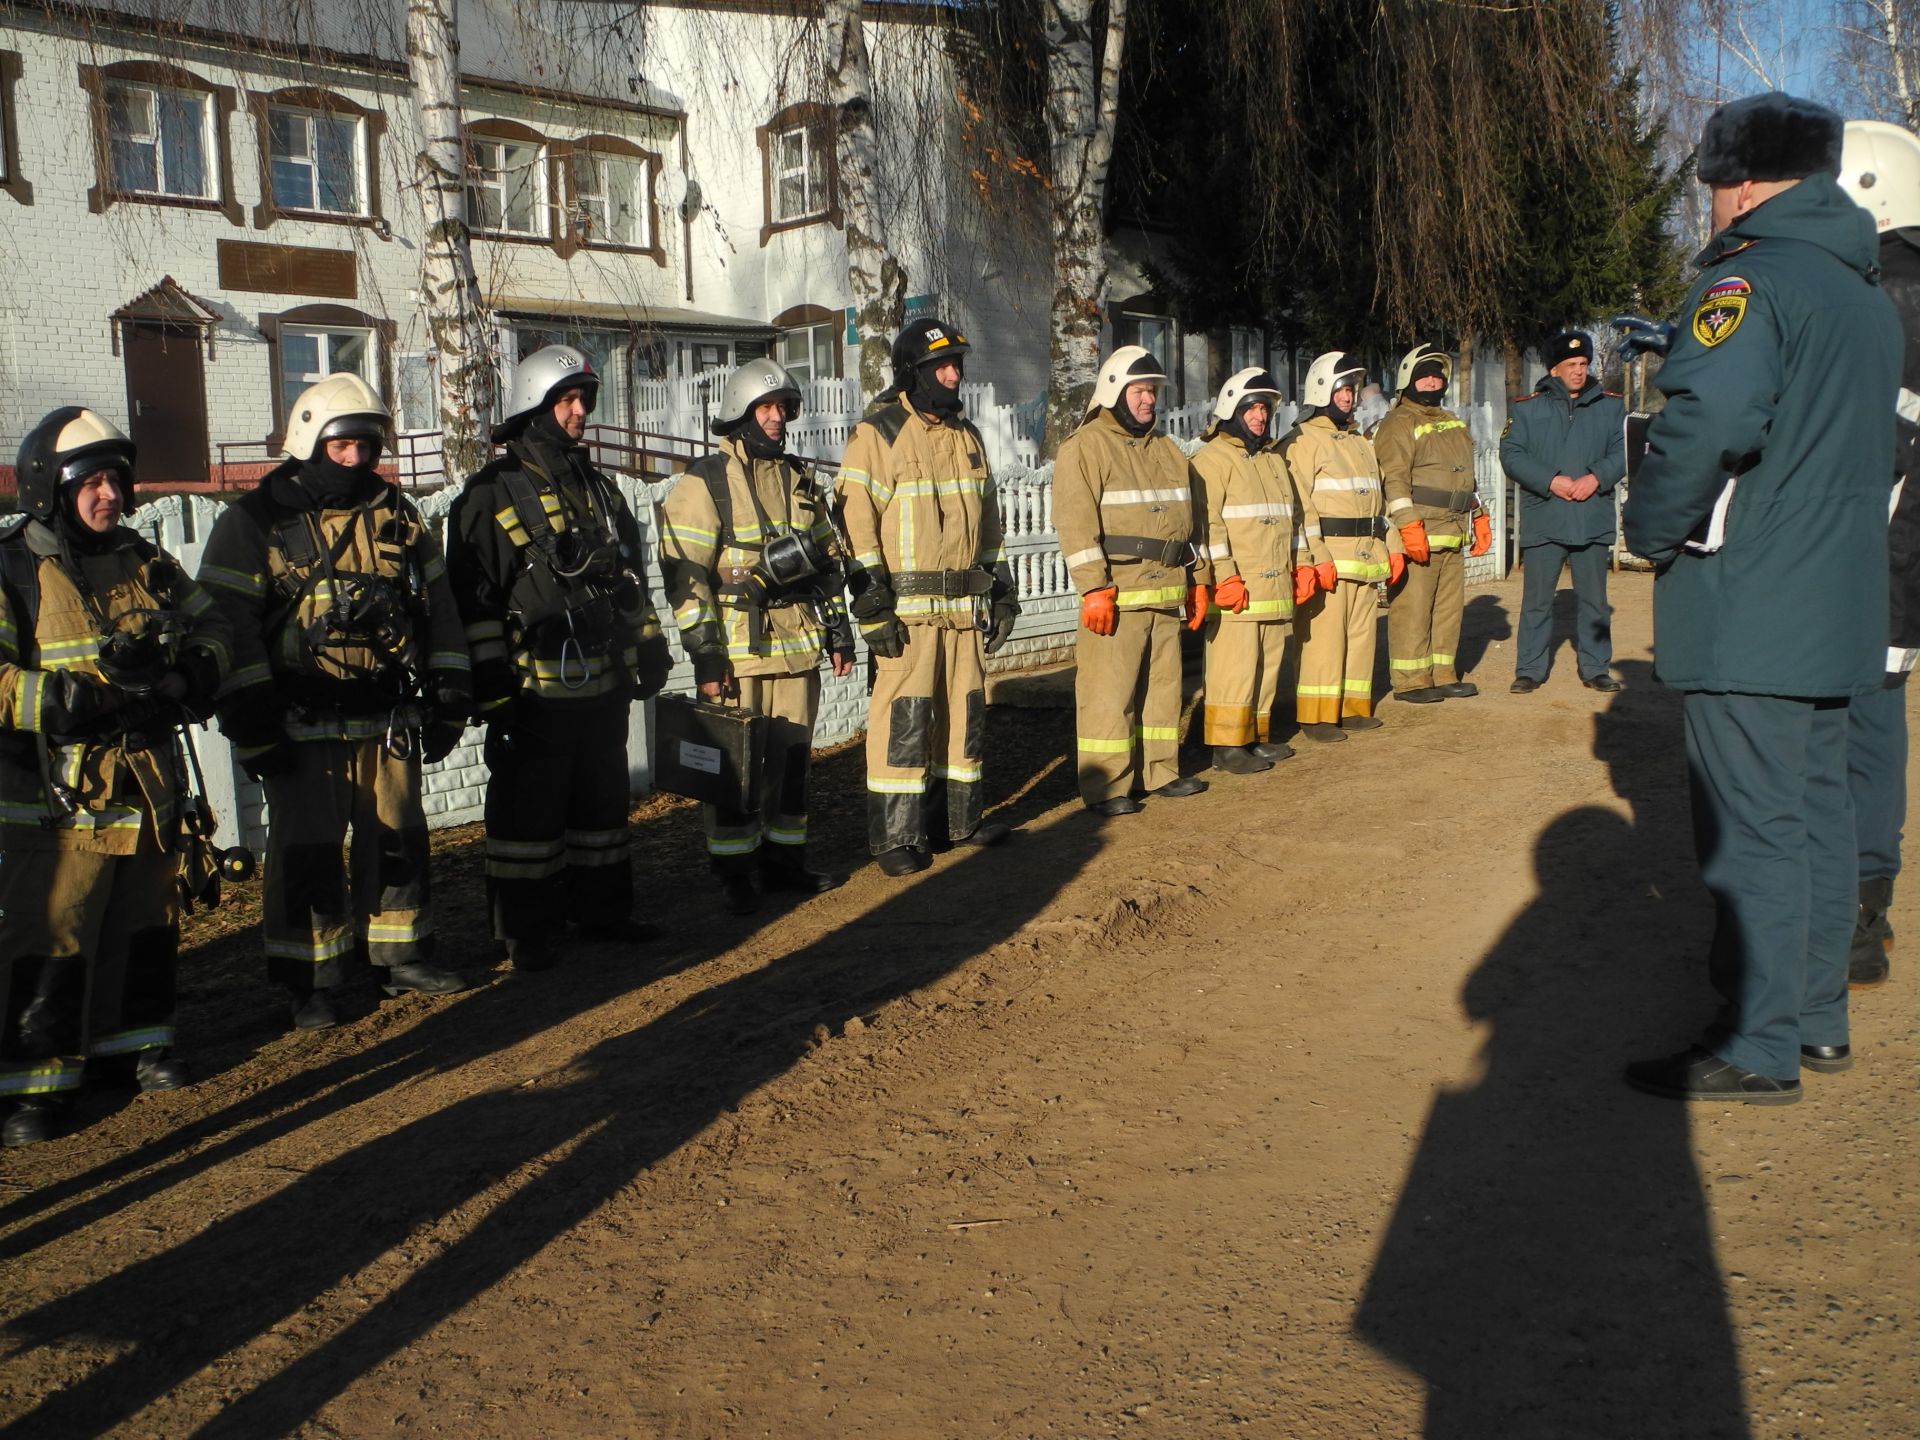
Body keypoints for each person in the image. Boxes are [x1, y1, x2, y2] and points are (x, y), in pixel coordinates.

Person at [1621, 92, 1901, 1103]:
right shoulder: (1864, 297)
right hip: (1835, 607)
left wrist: (1647, 530)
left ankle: (1757, 1040)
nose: (1707, 204)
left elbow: (1709, 421)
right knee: (1820, 816)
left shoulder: (1747, 288)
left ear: (1739, 181)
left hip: (1752, 605)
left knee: (1753, 829)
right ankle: (1817, 1021)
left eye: (1710, 183)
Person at [199, 375, 471, 1031]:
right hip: (302, 725)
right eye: (342, 444)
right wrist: (252, 717)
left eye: (367, 446)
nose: (355, 460)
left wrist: (451, 692)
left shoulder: (398, 514)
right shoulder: (254, 522)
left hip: (387, 718)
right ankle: (311, 981)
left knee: (398, 839)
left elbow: (440, 611)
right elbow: (226, 623)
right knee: (308, 853)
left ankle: (400, 955)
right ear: (309, 439)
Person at [0, 408, 233, 1145]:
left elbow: (215, 627)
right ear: (50, 486)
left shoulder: (143, 559)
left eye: (115, 481)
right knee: (55, 932)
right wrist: (59, 698)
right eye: (91, 482)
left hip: (147, 789)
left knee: (144, 923)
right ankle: (34, 1084)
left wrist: (191, 672)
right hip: (55, 802)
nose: (109, 495)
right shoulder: (13, 567)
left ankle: (133, 1046)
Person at [447, 346, 673, 968]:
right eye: (566, 401)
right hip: (530, 691)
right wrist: (489, 676)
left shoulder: (598, 490)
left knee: (601, 804)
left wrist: (647, 641)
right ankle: (526, 931)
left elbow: (630, 578)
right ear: (535, 407)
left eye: (584, 401)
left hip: (600, 682)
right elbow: (473, 595)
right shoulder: (489, 495)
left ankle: (604, 912)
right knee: (529, 811)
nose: (579, 413)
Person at [658, 359, 855, 913]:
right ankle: (734, 872)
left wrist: (838, 630)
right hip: (737, 655)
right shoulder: (703, 484)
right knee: (733, 770)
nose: (777, 419)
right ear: (740, 414)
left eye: (783, 409)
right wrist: (704, 653)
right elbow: (684, 573)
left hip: (797, 650)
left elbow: (829, 561)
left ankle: (784, 862)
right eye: (765, 408)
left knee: (792, 765)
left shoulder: (800, 480)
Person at [835, 318, 1016, 875]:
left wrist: (1002, 589)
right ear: (913, 372)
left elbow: (989, 522)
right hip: (908, 617)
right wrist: (870, 604)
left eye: (958, 363)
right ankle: (896, 840)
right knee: (904, 723)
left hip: (963, 611)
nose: (954, 373)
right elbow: (853, 524)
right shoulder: (879, 433)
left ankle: (957, 823)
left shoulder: (968, 436)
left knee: (963, 718)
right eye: (942, 365)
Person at [1053, 346, 1212, 813]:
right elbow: (1075, 523)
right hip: (1117, 596)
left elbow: (1194, 523)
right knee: (1110, 695)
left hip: (1166, 593)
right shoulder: (1084, 447)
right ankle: (1106, 788)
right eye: (1140, 391)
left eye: (1153, 392)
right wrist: (1094, 588)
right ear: (1114, 392)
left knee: (1163, 692)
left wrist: (1198, 580)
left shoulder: (1168, 450)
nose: (1148, 401)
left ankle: (1158, 772)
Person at [1836, 118, 1920, 989]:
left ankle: (1853, 917)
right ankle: (1871, 907)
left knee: (1851, 733)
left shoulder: (1885, 293)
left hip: (1868, 548)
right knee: (1878, 728)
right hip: (1903, 552)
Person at [1191, 367, 1326, 773]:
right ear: (1232, 409)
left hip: (1274, 584)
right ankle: (1226, 746)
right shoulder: (1211, 460)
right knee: (1234, 667)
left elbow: (1294, 518)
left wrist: (1303, 565)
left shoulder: (1271, 460)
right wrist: (1224, 575)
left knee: (1267, 665)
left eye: (1265, 410)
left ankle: (1255, 735)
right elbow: (1208, 523)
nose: (1260, 417)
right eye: (1252, 409)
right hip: (1238, 586)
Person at [1283, 351, 1404, 741]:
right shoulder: (1301, 442)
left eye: (1351, 389)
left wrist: (1395, 545)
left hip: (1366, 557)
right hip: (1330, 560)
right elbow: (1297, 508)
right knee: (1323, 641)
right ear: (1321, 389)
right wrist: (1313, 557)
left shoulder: (1359, 441)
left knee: (1361, 638)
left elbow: (1380, 500)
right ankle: (1316, 715)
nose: (1348, 396)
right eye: (1341, 389)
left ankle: (1352, 707)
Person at [1499, 330, 1626, 693]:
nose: (1579, 371)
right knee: (1537, 602)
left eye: (1584, 363)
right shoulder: (1527, 408)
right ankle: (1530, 669)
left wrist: (1596, 477)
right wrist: (1551, 480)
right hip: (1546, 514)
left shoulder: (1610, 406)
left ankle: (1596, 667)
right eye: (1571, 364)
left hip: (1591, 514)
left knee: (1594, 602)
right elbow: (1511, 454)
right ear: (1554, 369)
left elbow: (1623, 450)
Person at [1376, 344, 1493, 703]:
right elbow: (1393, 478)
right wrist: (1407, 524)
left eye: (1437, 375)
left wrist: (1479, 512)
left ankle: (1442, 673)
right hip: (1421, 531)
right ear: (1408, 380)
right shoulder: (1399, 422)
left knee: (1447, 610)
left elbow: (1465, 476)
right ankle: (1411, 681)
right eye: (1424, 375)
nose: (1431, 381)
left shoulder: (1451, 422)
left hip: (1453, 531)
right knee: (1412, 608)